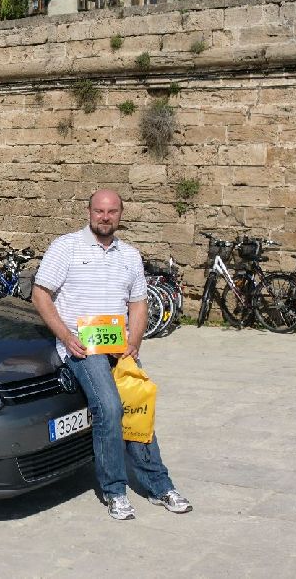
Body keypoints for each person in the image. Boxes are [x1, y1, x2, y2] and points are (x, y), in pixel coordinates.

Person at [32, 189, 192, 520]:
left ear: (120, 214)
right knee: (109, 407)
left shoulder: (130, 255)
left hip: (119, 347)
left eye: (112, 211)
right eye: (99, 211)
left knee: (138, 409)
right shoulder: (66, 247)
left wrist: (135, 341)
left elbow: (138, 303)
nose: (105, 217)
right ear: (89, 212)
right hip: (83, 347)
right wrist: (66, 337)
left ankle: (159, 486)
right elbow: (40, 295)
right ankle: (115, 490)